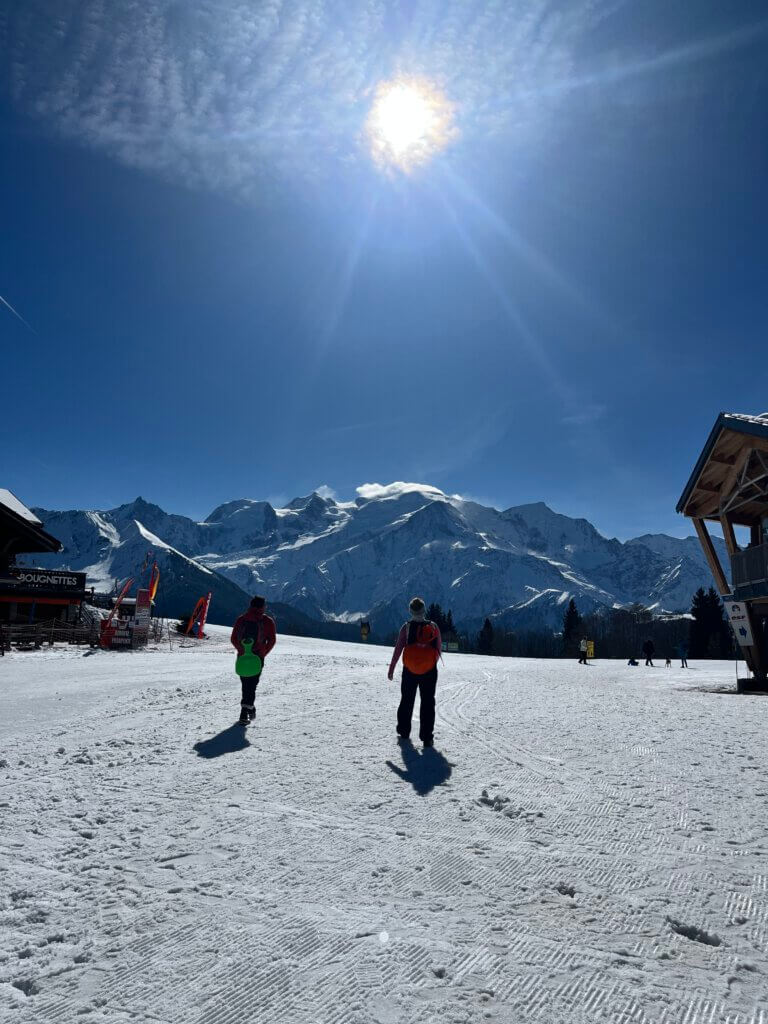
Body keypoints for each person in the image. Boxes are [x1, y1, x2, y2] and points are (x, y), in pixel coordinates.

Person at [388, 597, 442, 748]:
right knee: (428, 702)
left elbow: (398, 649)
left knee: (406, 700)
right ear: (424, 610)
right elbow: (438, 649)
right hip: (429, 672)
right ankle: (427, 738)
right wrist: (429, 664)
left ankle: (404, 731)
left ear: (410, 611)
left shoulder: (407, 627)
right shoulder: (433, 626)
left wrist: (392, 668)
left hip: (409, 670)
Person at [230, 595, 276, 725]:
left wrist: (242, 650)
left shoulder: (241, 619)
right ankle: (246, 711)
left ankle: (248, 708)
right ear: (262, 607)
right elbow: (272, 640)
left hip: (242, 657)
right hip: (257, 657)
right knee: (252, 684)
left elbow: (233, 638)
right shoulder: (267, 621)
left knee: (246, 684)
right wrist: (263, 653)